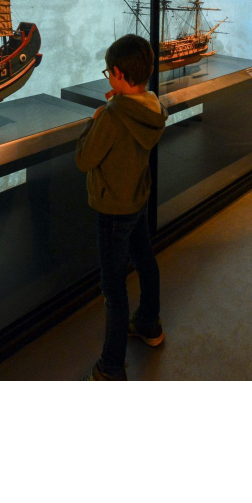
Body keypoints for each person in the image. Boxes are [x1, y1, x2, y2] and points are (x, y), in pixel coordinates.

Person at [76, 34, 168, 380]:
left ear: (116, 73)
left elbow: (85, 159)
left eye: (107, 73)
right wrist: (118, 104)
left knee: (113, 290)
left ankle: (112, 368)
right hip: (138, 200)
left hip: (113, 209)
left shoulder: (113, 116)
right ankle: (149, 325)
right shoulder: (152, 107)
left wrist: (96, 118)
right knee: (145, 261)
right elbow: (134, 115)